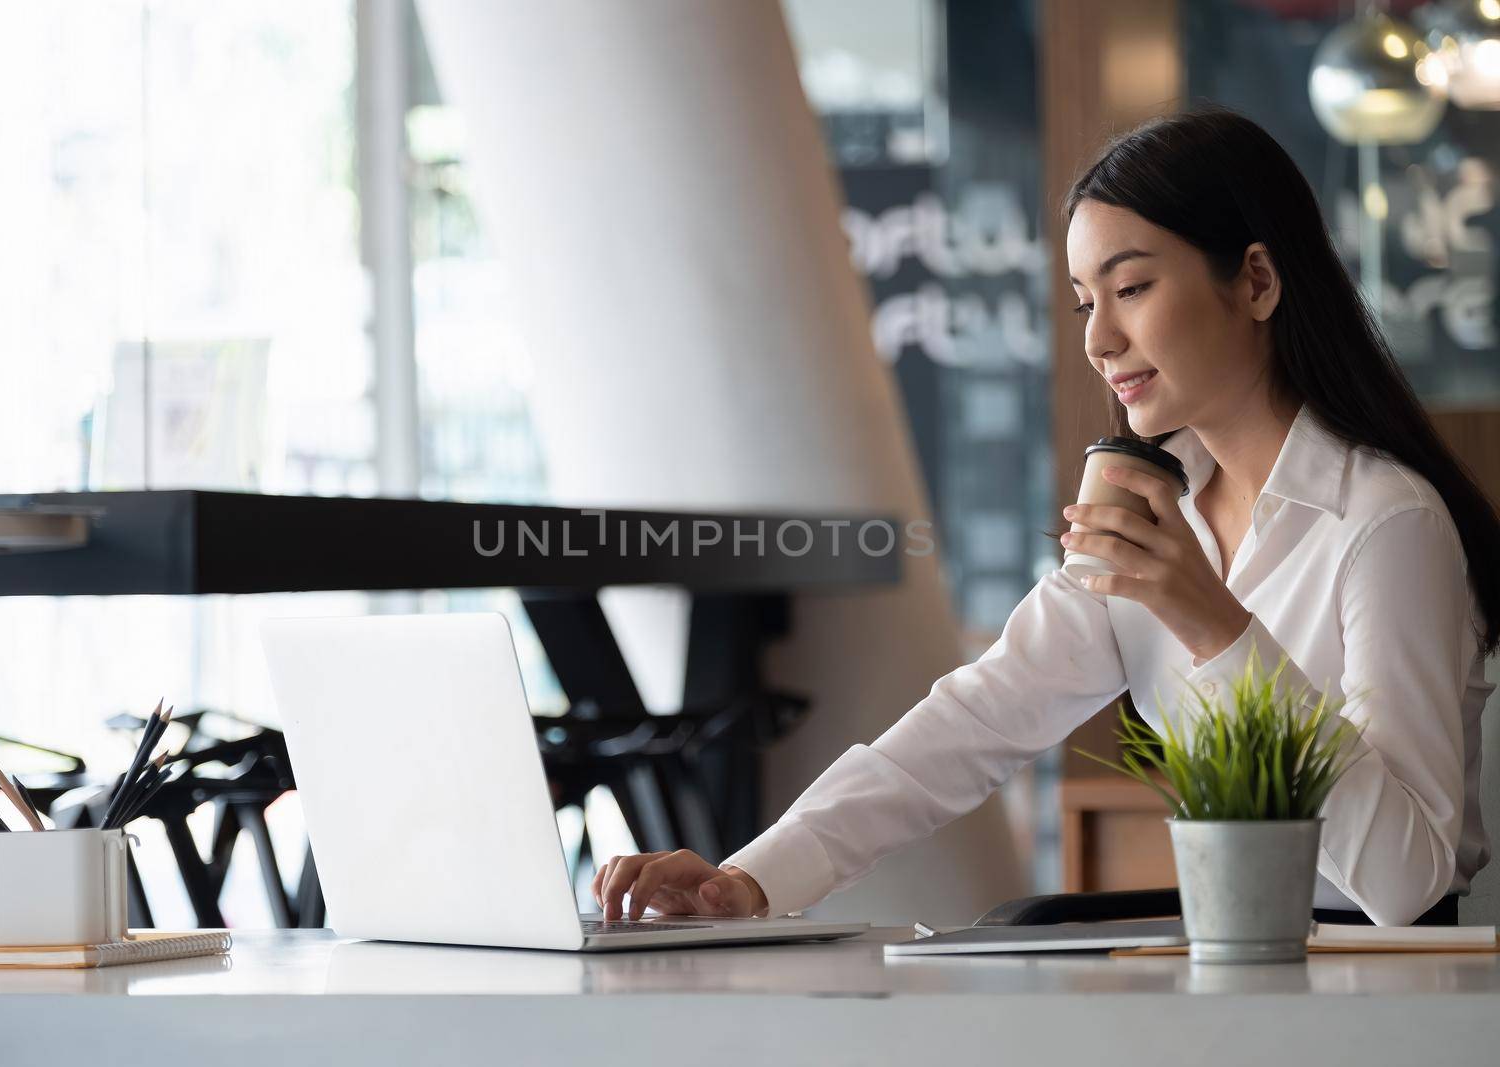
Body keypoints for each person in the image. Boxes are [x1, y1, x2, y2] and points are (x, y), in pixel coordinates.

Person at [593, 107, 1500, 929]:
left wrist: (1216, 626)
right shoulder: (1153, 510)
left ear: (1256, 280)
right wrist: (746, 881)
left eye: (1132, 288)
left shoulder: (1385, 522)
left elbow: (1405, 881)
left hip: (1384, 987)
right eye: (1083, 303)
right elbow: (973, 722)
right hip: (1236, 964)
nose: (1098, 340)